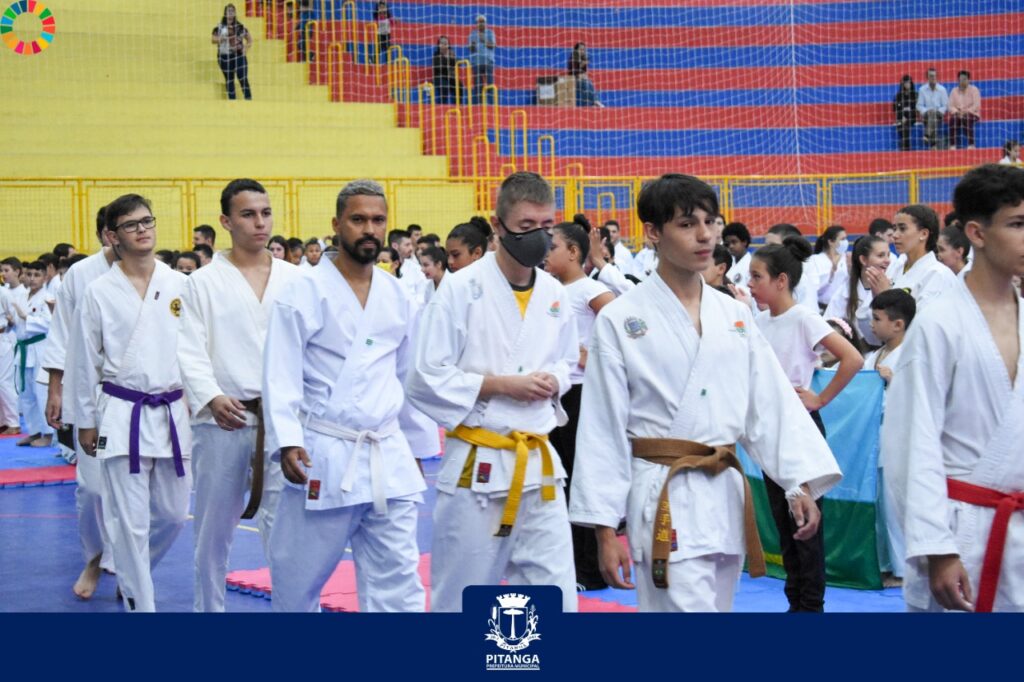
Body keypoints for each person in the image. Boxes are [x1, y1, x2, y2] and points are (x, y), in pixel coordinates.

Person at [569, 174, 841, 612]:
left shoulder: (733, 314)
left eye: (710, 222)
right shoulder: (621, 318)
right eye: (686, 224)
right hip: (663, 494)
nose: (705, 235)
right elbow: (602, 425)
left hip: (723, 497)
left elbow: (768, 404)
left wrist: (797, 482)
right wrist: (604, 528)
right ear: (653, 232)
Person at [406, 171, 580, 613]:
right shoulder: (460, 289)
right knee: (463, 596)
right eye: (526, 226)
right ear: (497, 226)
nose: (538, 236)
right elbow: (424, 376)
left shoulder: (554, 293)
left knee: (555, 595)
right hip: (477, 464)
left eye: (546, 226)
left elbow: (566, 362)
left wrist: (554, 381)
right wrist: (499, 384)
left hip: (540, 465)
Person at [263, 180, 435, 612]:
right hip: (324, 451)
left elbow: (407, 376)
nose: (369, 229)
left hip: (386, 453)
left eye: (378, 220)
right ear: (337, 224)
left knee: (399, 582)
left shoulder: (398, 294)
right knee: (297, 581)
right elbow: (280, 374)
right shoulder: (302, 291)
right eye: (358, 219)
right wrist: (287, 440)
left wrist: (416, 447)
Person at [882, 163, 1024, 612]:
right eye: (1018, 224)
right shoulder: (939, 324)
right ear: (977, 234)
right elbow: (912, 443)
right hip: (960, 531)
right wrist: (937, 549)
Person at [177, 179, 299, 612]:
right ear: (226, 222)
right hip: (223, 420)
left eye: (265, 212)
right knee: (213, 532)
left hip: (283, 423)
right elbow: (188, 348)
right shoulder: (201, 283)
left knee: (288, 534)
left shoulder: (297, 279)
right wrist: (211, 396)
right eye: (248, 214)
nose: (260, 222)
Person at [74, 194, 191, 613]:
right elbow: (84, 360)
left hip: (174, 411)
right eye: (131, 225)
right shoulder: (98, 292)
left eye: (147, 221)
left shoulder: (181, 284)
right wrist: (85, 419)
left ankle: (130, 577)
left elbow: (198, 351)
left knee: (174, 515)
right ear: (112, 236)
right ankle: (142, 605)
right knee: (129, 522)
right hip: (122, 413)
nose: (142, 230)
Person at [749, 236, 863, 612]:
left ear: (781, 280)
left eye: (757, 276)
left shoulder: (803, 318)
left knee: (806, 526)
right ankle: (794, 603)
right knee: (784, 524)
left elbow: (852, 358)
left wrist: (820, 398)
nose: (750, 283)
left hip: (800, 428)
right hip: (770, 430)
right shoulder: (757, 322)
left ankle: (812, 607)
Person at [42, 206, 117, 600]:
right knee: (92, 488)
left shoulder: (158, 275)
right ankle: (95, 557)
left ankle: (130, 564)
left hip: (146, 398)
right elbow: (62, 334)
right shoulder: (81, 275)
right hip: (93, 392)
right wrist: (55, 389)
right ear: (107, 234)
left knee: (148, 497)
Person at [543, 214, 615, 591]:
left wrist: (595, 356)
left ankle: (589, 569)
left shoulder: (589, 289)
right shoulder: (550, 290)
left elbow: (625, 325)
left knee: (580, 477)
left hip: (582, 393)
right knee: (558, 478)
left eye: (552, 247)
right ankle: (565, 563)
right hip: (556, 393)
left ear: (573, 252)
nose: (545, 253)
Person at [864, 289, 916, 583]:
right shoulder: (874, 356)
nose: (871, 324)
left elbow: (921, 398)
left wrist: (893, 381)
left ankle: (903, 568)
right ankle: (884, 563)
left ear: (898, 324)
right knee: (879, 505)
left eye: (877, 319)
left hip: (899, 439)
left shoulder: (913, 356)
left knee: (896, 506)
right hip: (874, 437)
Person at [11, 261, 53, 448]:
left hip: (39, 348)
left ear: (45, 277)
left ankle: (49, 434)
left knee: (41, 392)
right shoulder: (21, 296)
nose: (32, 278)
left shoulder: (48, 298)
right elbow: (17, 324)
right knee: (26, 393)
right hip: (23, 349)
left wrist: (26, 317)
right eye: (29, 274)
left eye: (37, 275)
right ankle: (34, 431)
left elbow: (49, 323)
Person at [825, 235, 891, 348]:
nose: (887, 261)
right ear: (863, 260)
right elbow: (829, 325)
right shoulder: (845, 291)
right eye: (880, 255)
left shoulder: (893, 285)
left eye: (888, 255)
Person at [891, 204, 957, 308]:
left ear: (924, 234)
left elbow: (925, 317)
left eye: (902, 229)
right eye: (894, 229)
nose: (895, 235)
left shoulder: (938, 274)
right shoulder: (896, 268)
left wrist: (884, 294)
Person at [212, 4, 253, 101]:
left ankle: (248, 100)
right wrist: (221, 38)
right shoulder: (220, 27)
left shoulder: (240, 27)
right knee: (229, 79)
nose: (230, 13)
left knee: (242, 77)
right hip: (224, 56)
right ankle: (232, 102)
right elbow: (213, 39)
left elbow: (250, 39)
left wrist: (245, 48)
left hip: (239, 55)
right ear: (225, 13)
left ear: (235, 13)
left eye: (232, 11)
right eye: (228, 11)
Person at [808, 225, 849, 308]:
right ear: (830, 242)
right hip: (823, 306)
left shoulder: (848, 258)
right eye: (842, 239)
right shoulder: (815, 260)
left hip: (844, 307)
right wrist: (831, 276)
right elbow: (813, 290)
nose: (846, 242)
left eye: (846, 238)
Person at [947, 70, 981, 150]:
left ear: (969, 80)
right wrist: (956, 112)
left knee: (967, 118)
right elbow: (950, 106)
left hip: (972, 114)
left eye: (964, 79)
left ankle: (971, 144)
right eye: (961, 79)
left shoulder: (974, 90)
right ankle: (952, 145)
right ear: (958, 80)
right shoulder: (954, 91)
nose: (962, 81)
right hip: (958, 114)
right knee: (953, 120)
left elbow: (976, 105)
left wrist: (966, 112)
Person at [467, 15, 496, 104]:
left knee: (490, 85)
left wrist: (484, 40)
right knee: (477, 86)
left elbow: (493, 45)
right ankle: (478, 105)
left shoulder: (490, 33)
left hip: (488, 62)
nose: (481, 24)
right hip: (476, 63)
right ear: (476, 24)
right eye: (479, 22)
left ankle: (492, 104)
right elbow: (470, 49)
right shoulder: (472, 34)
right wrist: (472, 45)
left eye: (483, 22)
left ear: (485, 23)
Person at [917, 68, 948, 150]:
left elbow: (945, 105)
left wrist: (938, 111)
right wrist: (926, 111)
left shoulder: (942, 89)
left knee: (934, 115)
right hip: (926, 114)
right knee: (932, 116)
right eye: (931, 76)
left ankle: (927, 135)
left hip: (939, 114)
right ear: (927, 77)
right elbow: (919, 105)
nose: (933, 77)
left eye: (935, 76)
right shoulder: (922, 89)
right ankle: (933, 145)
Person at [568, 42, 602, 108]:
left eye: (583, 49)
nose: (582, 51)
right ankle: (595, 102)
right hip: (573, 79)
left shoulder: (584, 58)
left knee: (589, 83)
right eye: (580, 49)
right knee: (585, 84)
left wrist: (584, 75)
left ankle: (594, 102)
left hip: (581, 78)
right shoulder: (573, 57)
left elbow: (584, 72)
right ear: (576, 50)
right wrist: (582, 65)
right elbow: (574, 72)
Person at [722, 221, 752, 288]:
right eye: (727, 244)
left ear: (744, 242)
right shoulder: (727, 262)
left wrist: (729, 284)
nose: (731, 246)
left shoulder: (751, 264)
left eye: (734, 242)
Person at [893, 75, 917, 151]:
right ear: (903, 84)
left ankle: (905, 148)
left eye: (909, 83)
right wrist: (902, 117)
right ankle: (906, 147)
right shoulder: (898, 96)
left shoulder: (914, 95)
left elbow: (915, 109)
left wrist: (907, 117)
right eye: (906, 83)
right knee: (901, 125)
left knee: (905, 126)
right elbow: (896, 109)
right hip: (901, 119)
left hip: (911, 118)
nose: (907, 84)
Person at [432, 36, 456, 104]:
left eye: (445, 43)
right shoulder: (436, 54)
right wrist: (447, 58)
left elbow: (454, 64)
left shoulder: (451, 54)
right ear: (439, 45)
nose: (443, 45)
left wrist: (451, 58)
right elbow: (439, 67)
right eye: (442, 43)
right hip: (439, 77)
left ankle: (456, 104)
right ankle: (442, 104)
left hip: (449, 77)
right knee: (444, 85)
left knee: (459, 85)